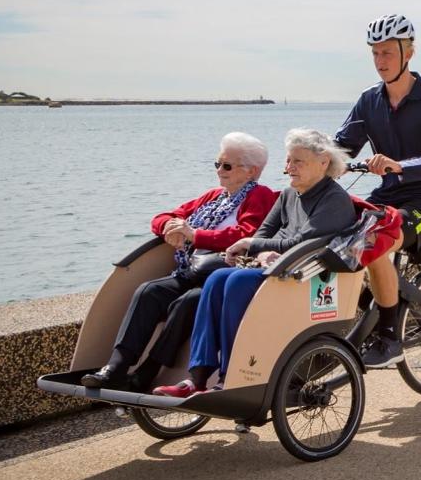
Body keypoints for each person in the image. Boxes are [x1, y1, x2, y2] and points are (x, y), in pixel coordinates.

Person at [154, 129, 356, 398]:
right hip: (276, 267)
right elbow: (262, 233)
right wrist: (261, 251)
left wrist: (256, 247)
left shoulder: (334, 199)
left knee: (236, 280)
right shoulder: (287, 195)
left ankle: (229, 377)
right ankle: (197, 376)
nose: (289, 167)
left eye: (298, 162)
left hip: (302, 274)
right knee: (216, 280)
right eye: (288, 160)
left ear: (323, 163)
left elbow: (302, 241)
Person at [81, 133, 276, 390]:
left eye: (227, 166)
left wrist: (195, 234)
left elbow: (246, 234)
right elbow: (161, 217)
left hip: (222, 276)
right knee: (149, 291)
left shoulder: (260, 196)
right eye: (217, 164)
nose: (220, 170)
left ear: (251, 171)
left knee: (187, 303)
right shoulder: (214, 197)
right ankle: (117, 365)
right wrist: (171, 228)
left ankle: (148, 371)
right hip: (190, 269)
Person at [335, 13, 421, 368]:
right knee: (336, 235)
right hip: (386, 198)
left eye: (388, 53)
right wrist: (311, 161)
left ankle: (390, 337)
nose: (380, 62)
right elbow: (343, 146)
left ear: (409, 52)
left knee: (374, 242)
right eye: (375, 54)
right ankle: (363, 313)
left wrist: (398, 166)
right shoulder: (369, 100)